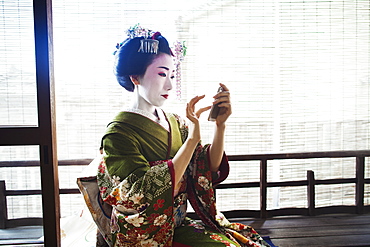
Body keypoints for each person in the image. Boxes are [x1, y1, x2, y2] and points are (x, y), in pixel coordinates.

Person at [96, 25, 271, 247]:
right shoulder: (118, 132)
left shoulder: (175, 122)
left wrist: (220, 126)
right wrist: (191, 140)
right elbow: (140, 194)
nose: (169, 84)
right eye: (161, 74)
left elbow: (204, 168)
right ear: (135, 77)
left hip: (175, 223)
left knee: (234, 244)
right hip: (143, 232)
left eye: (172, 75)